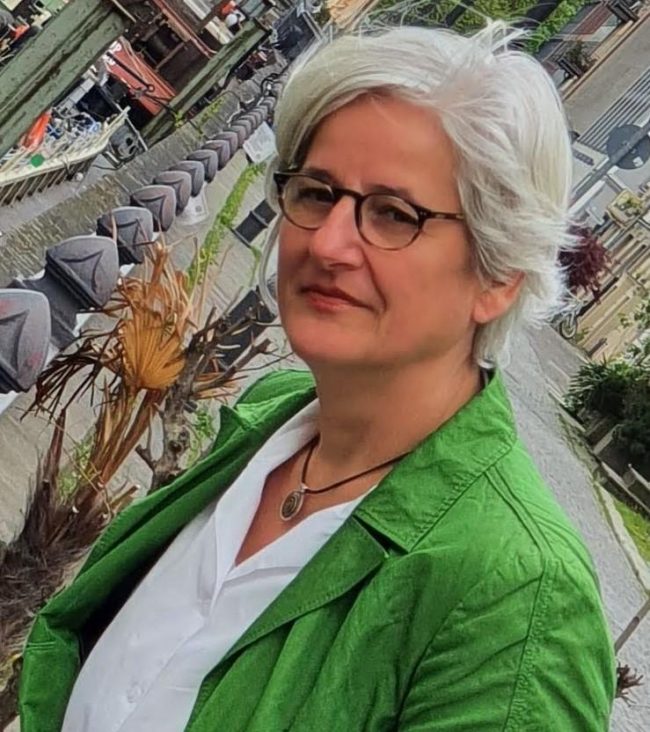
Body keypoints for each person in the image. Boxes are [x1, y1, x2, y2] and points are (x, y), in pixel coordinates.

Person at [19, 21, 615, 732]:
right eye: (318, 192)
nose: (329, 243)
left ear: (499, 275)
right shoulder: (272, 421)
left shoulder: (517, 604)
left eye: (393, 214)